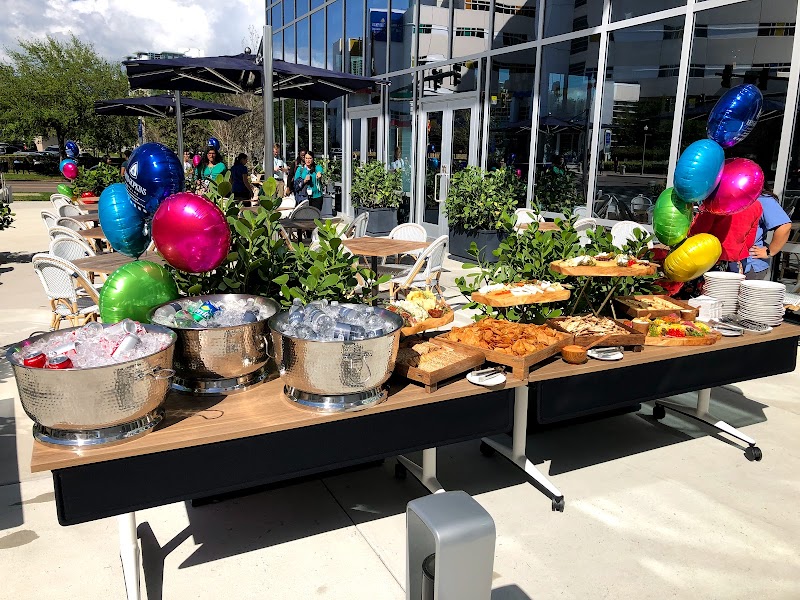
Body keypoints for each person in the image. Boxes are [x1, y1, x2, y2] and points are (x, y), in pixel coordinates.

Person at [725, 189, 792, 280]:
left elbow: (784, 227)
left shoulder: (762, 199)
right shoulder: (727, 196)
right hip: (725, 260)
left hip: (749, 265)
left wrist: (769, 251)